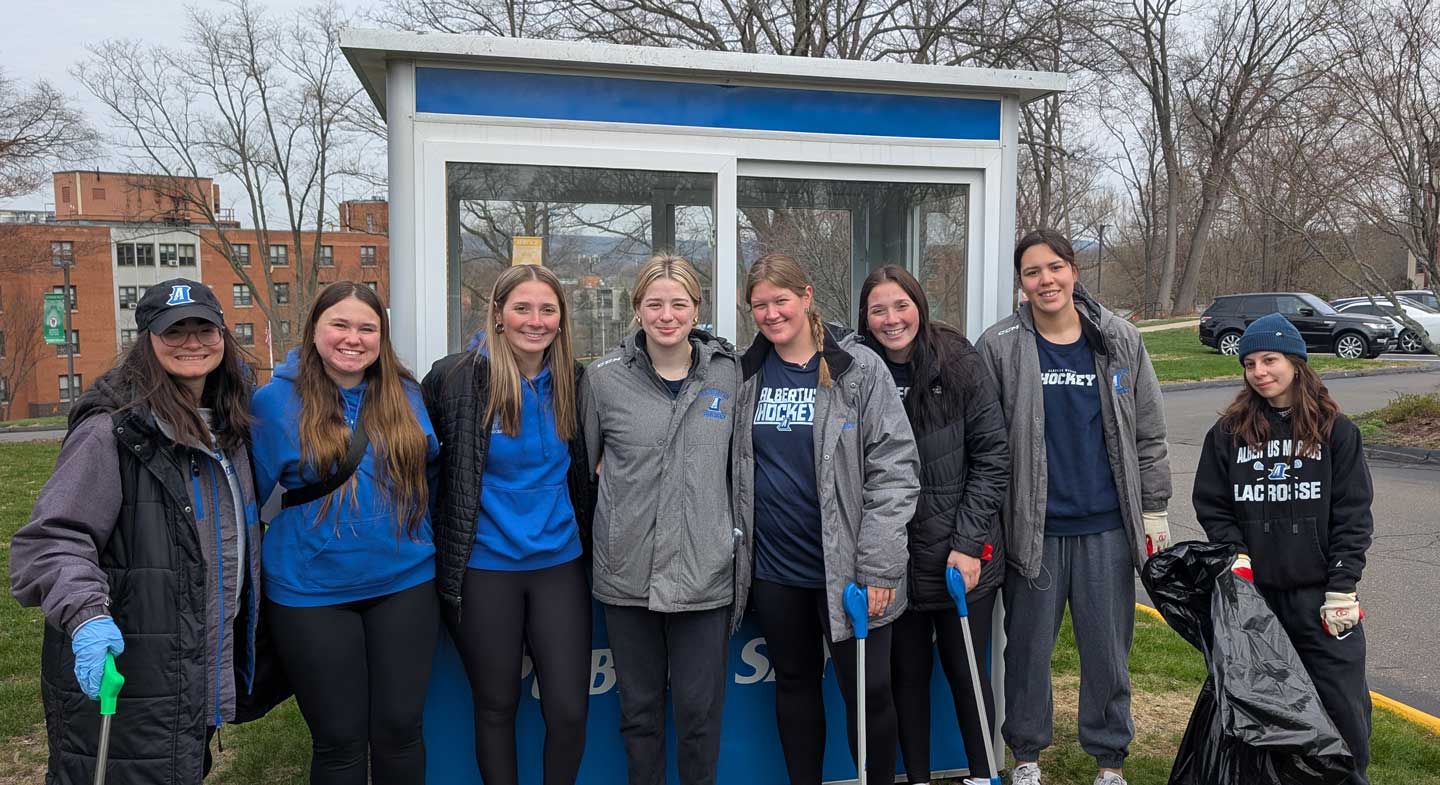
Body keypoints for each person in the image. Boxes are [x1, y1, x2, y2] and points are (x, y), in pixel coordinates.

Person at [11, 278, 261, 784]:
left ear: (223, 337)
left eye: (203, 328)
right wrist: (85, 617)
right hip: (132, 669)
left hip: (191, 669)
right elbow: (52, 539)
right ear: (147, 340)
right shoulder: (113, 431)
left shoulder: (230, 429)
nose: (192, 342)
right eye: (174, 331)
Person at [976, 229, 1172, 785]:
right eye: (1033, 272)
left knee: (1107, 652)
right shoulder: (1000, 345)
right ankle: (1027, 755)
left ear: (1073, 271)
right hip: (1032, 530)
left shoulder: (1119, 340)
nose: (1046, 280)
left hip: (1106, 529)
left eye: (1055, 267)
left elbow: (1150, 435)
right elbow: (986, 445)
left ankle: (1109, 758)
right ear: (1021, 283)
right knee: (1029, 652)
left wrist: (1153, 509)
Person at [732, 252, 920, 785]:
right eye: (759, 305)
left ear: (807, 296)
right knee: (793, 684)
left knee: (868, 693)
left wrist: (880, 566)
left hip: (853, 573)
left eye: (781, 300)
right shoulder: (745, 374)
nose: (771, 314)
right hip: (776, 571)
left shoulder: (858, 369)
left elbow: (896, 467)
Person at [250, 281, 441, 785]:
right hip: (311, 593)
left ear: (382, 336)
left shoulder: (406, 394)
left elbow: (433, 471)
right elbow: (245, 499)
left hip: (405, 582)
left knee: (401, 729)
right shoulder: (273, 403)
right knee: (339, 740)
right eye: (340, 324)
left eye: (367, 328)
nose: (352, 338)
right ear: (314, 329)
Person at [421, 264, 594, 785]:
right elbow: (424, 466)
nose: (534, 321)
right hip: (484, 566)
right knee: (496, 705)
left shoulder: (576, 381)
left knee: (568, 710)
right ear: (497, 314)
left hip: (558, 564)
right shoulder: (453, 379)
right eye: (522, 308)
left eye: (547, 309)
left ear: (561, 319)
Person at [580, 253, 741, 785]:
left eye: (678, 303)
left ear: (697, 309)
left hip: (705, 574)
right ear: (637, 309)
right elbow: (587, 469)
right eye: (654, 303)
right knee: (640, 715)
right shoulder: (602, 380)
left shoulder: (728, 374)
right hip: (629, 576)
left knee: (699, 718)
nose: (666, 315)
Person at [1192, 313, 1373, 785]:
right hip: (1257, 603)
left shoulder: (1337, 432)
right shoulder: (1230, 433)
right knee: (1261, 716)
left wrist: (1342, 589)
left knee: (1343, 712)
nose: (1259, 371)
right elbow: (1212, 504)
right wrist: (1235, 553)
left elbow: (1353, 516)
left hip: (1320, 601)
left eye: (1269, 359)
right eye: (1249, 363)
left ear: (1296, 362)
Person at [857, 266, 1010, 785]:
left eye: (900, 305)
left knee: (967, 673)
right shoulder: (859, 367)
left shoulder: (959, 362)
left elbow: (993, 456)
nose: (891, 319)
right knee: (906, 679)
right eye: (878, 309)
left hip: (958, 559)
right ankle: (917, 777)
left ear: (918, 306)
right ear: (865, 317)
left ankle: (984, 773)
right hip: (894, 559)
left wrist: (968, 545)